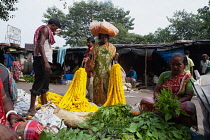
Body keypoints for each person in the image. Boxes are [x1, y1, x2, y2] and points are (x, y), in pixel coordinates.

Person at [140, 53, 197, 130]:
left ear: (185, 65)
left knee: (190, 106)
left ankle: (183, 129)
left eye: (178, 64)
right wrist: (159, 100)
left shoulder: (188, 78)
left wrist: (174, 103)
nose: (175, 67)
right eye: (172, 64)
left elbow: (188, 96)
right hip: (161, 103)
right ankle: (149, 124)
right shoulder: (164, 75)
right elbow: (156, 90)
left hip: (178, 104)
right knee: (145, 100)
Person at [27, 18, 61, 117]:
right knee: (39, 82)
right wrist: (45, 62)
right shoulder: (45, 29)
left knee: (45, 83)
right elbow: (41, 45)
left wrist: (54, 33)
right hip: (42, 60)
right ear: (53, 25)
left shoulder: (47, 31)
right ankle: (31, 109)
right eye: (55, 28)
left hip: (45, 60)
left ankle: (44, 106)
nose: (55, 31)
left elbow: (46, 39)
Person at [90, 33, 116, 105]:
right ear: (99, 38)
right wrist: (91, 68)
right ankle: (97, 102)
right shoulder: (96, 46)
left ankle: (107, 102)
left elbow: (114, 58)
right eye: (102, 37)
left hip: (107, 71)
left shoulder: (111, 47)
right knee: (97, 86)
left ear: (108, 38)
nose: (104, 38)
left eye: (105, 37)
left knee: (106, 86)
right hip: (97, 70)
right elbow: (92, 58)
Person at [83, 37, 95, 102]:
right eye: (87, 42)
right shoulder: (88, 50)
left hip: (92, 70)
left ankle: (92, 98)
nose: (87, 43)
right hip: (87, 69)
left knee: (91, 85)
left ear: (92, 43)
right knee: (87, 85)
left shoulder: (94, 50)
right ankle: (88, 96)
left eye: (89, 42)